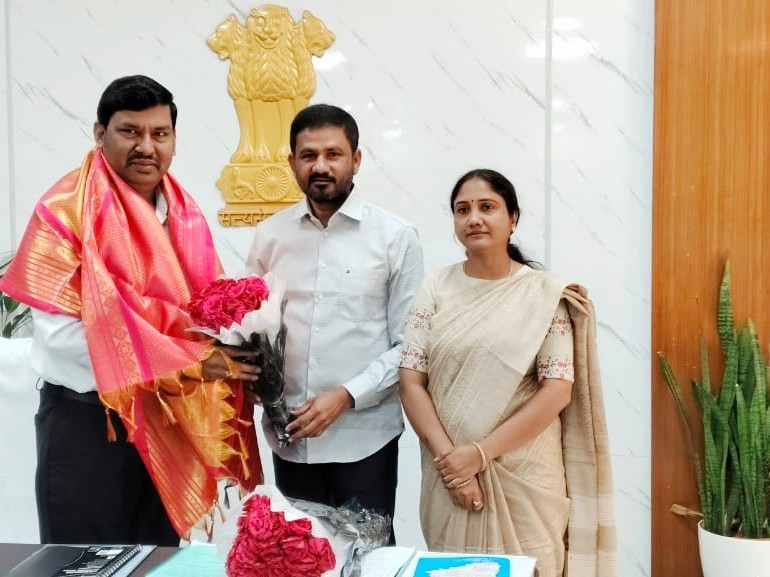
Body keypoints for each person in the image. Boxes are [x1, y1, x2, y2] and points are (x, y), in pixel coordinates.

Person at [0, 75, 263, 546]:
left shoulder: (184, 215)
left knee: (155, 560)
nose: (147, 146)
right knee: (82, 563)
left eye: (160, 133)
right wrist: (189, 362)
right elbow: (60, 342)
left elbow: (201, 316)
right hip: (89, 425)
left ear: (174, 140)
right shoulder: (64, 212)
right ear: (100, 133)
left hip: (167, 420)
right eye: (130, 132)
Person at [398, 169, 616, 577]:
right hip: (449, 478)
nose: (474, 218)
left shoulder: (544, 294)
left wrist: (479, 454)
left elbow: (557, 391)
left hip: (525, 476)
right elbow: (411, 381)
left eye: (487, 207)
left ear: (512, 219)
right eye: (462, 209)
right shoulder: (435, 287)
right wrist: (454, 467)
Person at [246, 104, 424, 542]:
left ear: (356, 160)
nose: (321, 166)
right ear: (292, 163)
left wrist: (346, 396)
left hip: (365, 438)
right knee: (299, 559)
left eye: (333, 154)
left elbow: (411, 347)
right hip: (290, 440)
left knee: (368, 558)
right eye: (308, 155)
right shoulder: (270, 236)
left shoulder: (394, 237)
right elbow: (251, 326)